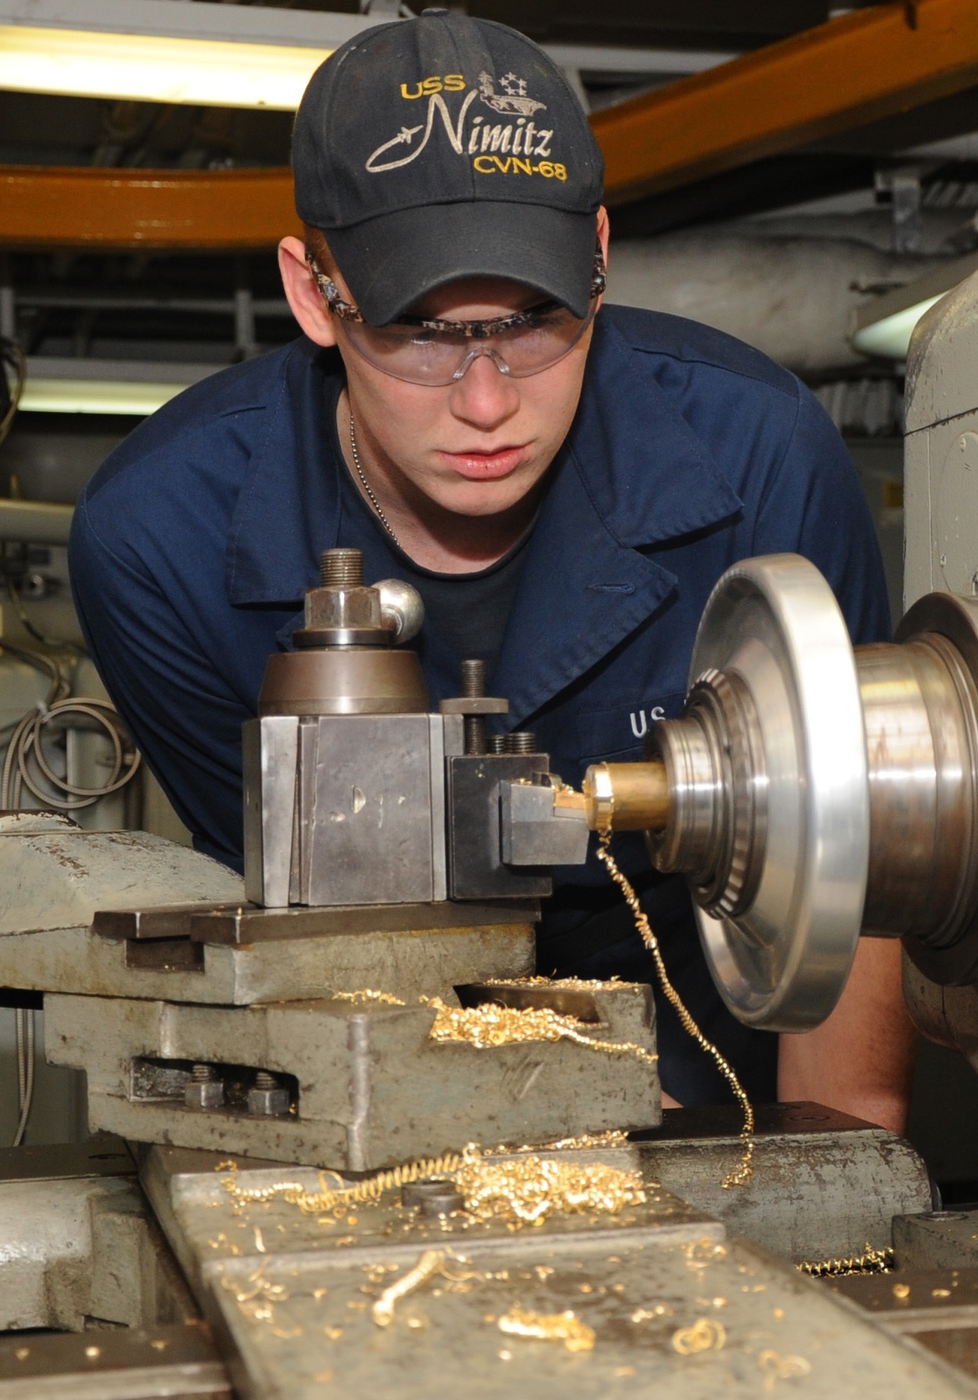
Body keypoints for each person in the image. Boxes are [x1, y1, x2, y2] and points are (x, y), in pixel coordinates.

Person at [69, 9, 914, 1130]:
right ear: (314, 291)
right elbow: (302, 929)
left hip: (716, 1019)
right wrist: (527, 1087)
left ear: (600, 262)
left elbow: (851, 866)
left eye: (532, 321)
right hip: (388, 1020)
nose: (484, 400)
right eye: (421, 329)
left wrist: (841, 1175)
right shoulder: (156, 540)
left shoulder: (757, 454)